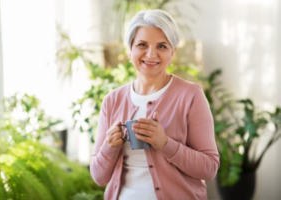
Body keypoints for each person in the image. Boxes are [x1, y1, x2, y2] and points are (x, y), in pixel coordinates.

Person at [90, 9, 219, 200]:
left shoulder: (191, 96)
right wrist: (109, 147)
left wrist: (165, 144)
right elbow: (98, 177)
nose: (151, 54)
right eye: (142, 44)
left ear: (173, 52)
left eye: (162, 46)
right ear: (130, 49)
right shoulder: (112, 100)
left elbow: (209, 169)